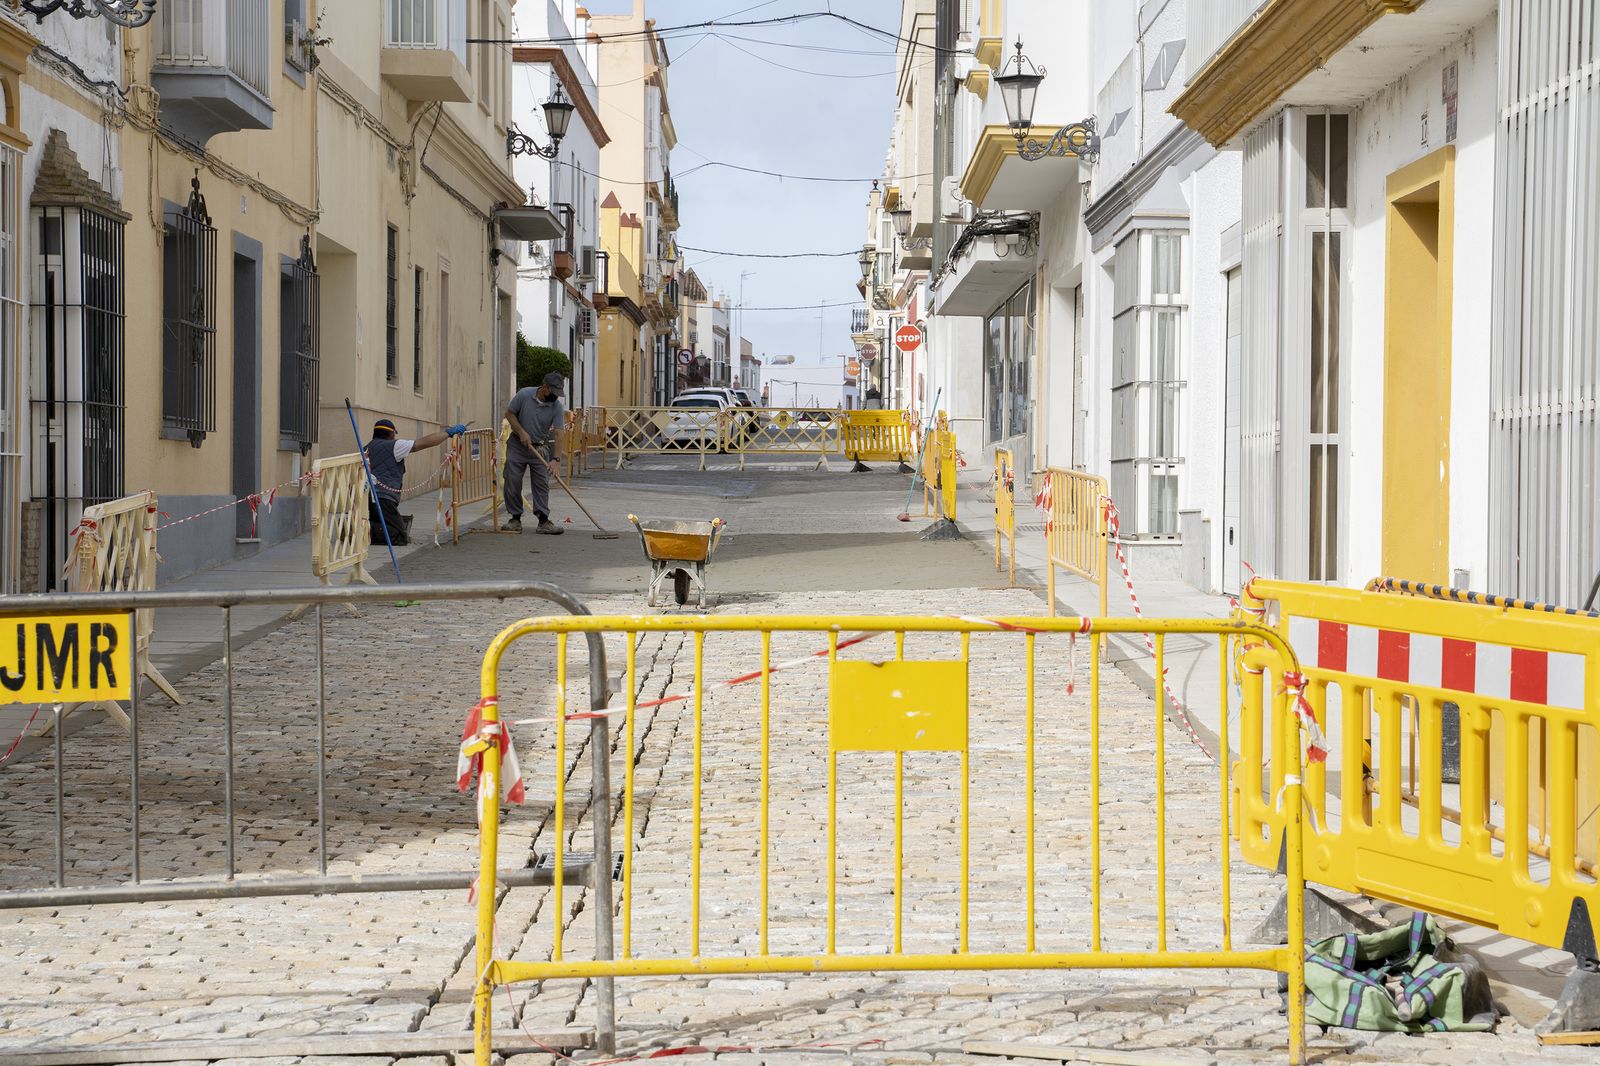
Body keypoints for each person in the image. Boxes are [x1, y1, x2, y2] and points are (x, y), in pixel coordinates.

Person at [364, 417, 465, 545]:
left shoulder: (365, 448)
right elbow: (422, 443)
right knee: (399, 536)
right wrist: (448, 433)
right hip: (383, 499)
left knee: (384, 522)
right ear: (392, 433)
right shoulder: (395, 445)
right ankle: (364, 531)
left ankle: (363, 527)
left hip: (365, 499)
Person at [503, 371, 567, 534]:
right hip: (518, 444)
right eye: (554, 392)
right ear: (545, 387)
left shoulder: (557, 407)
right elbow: (509, 414)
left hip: (539, 447)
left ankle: (543, 521)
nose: (556, 397)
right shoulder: (524, 395)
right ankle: (515, 518)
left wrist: (556, 460)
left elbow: (559, 433)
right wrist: (521, 431)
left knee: (541, 484)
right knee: (512, 480)